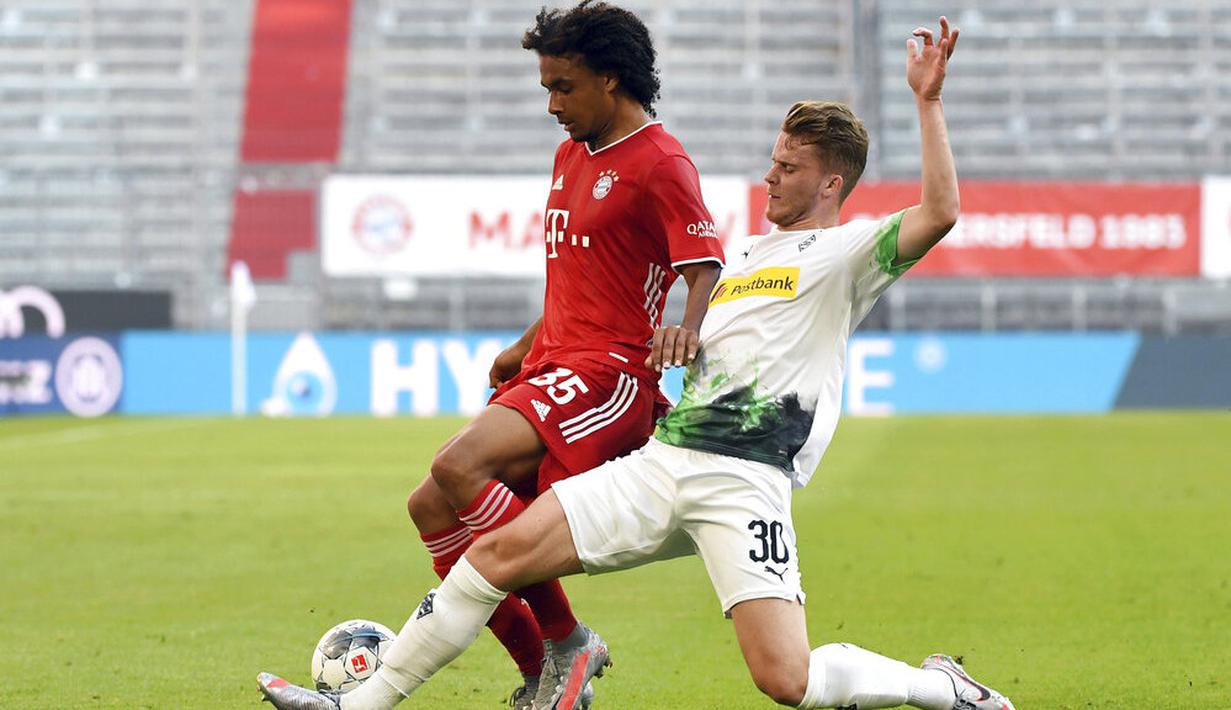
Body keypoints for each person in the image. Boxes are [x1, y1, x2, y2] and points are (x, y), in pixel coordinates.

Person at [259, 16, 1015, 710]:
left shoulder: (847, 255)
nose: (769, 177)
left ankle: (938, 688)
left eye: (787, 167)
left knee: (786, 680)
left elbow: (940, 213)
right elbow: (657, 294)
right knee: (494, 555)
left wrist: (927, 102)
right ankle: (361, 703)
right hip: (666, 458)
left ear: (831, 184)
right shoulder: (742, 253)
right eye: (771, 161)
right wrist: (663, 335)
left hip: (743, 481)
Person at [401, 2, 724, 708]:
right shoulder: (570, 151)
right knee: (429, 506)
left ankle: (566, 638)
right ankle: (537, 674)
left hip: (608, 373)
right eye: (545, 86)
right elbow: (580, 276)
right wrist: (523, 347)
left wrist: (685, 329)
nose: (551, 104)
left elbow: (704, 265)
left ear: (611, 79)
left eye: (562, 86)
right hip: (552, 360)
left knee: (457, 467)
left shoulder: (661, 162)